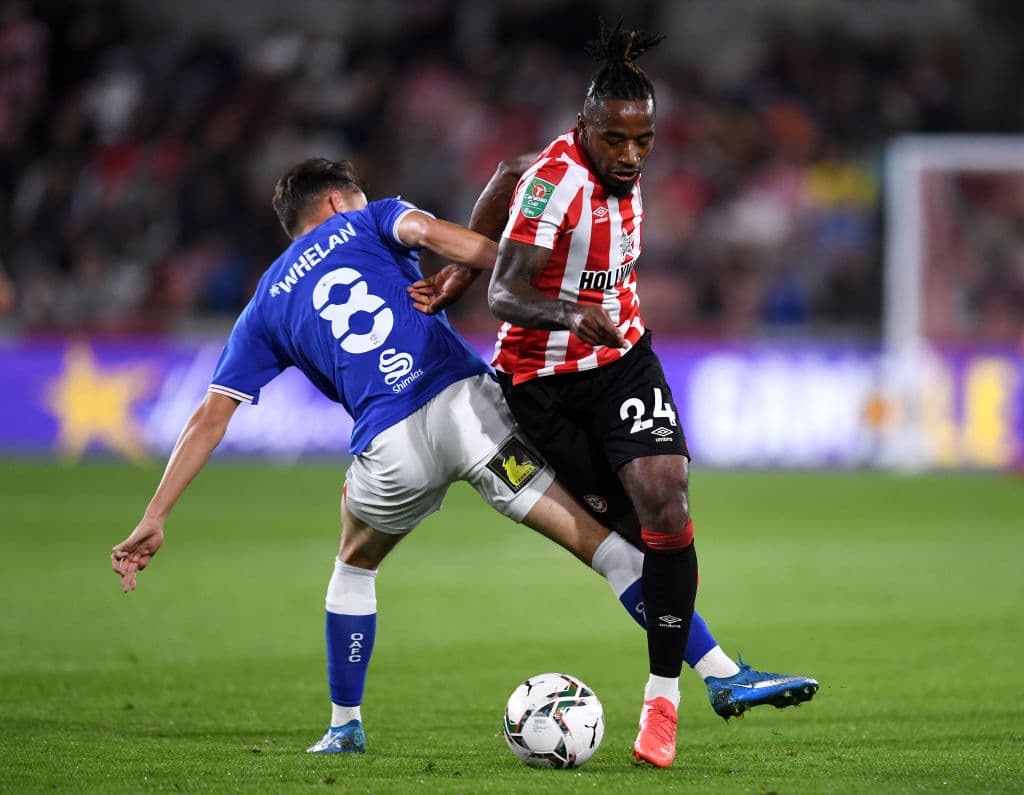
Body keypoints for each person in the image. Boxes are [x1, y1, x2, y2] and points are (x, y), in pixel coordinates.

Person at [110, 157, 666, 759]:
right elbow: (436, 235)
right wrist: (531, 278)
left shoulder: (265, 303)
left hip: (392, 450)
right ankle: (717, 670)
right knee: (602, 546)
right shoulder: (370, 218)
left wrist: (155, 516)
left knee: (354, 566)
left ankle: (344, 726)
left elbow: (209, 418)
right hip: (470, 412)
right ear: (336, 202)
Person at [410, 21, 818, 768]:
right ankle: (724, 674)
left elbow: (503, 168)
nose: (631, 156)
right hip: (544, 385)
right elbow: (506, 290)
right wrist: (533, 299)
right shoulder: (556, 182)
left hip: (623, 358)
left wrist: (468, 268)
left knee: (669, 502)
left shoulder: (610, 160)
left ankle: (663, 703)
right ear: (584, 127)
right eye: (616, 141)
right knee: (633, 544)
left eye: (643, 141)